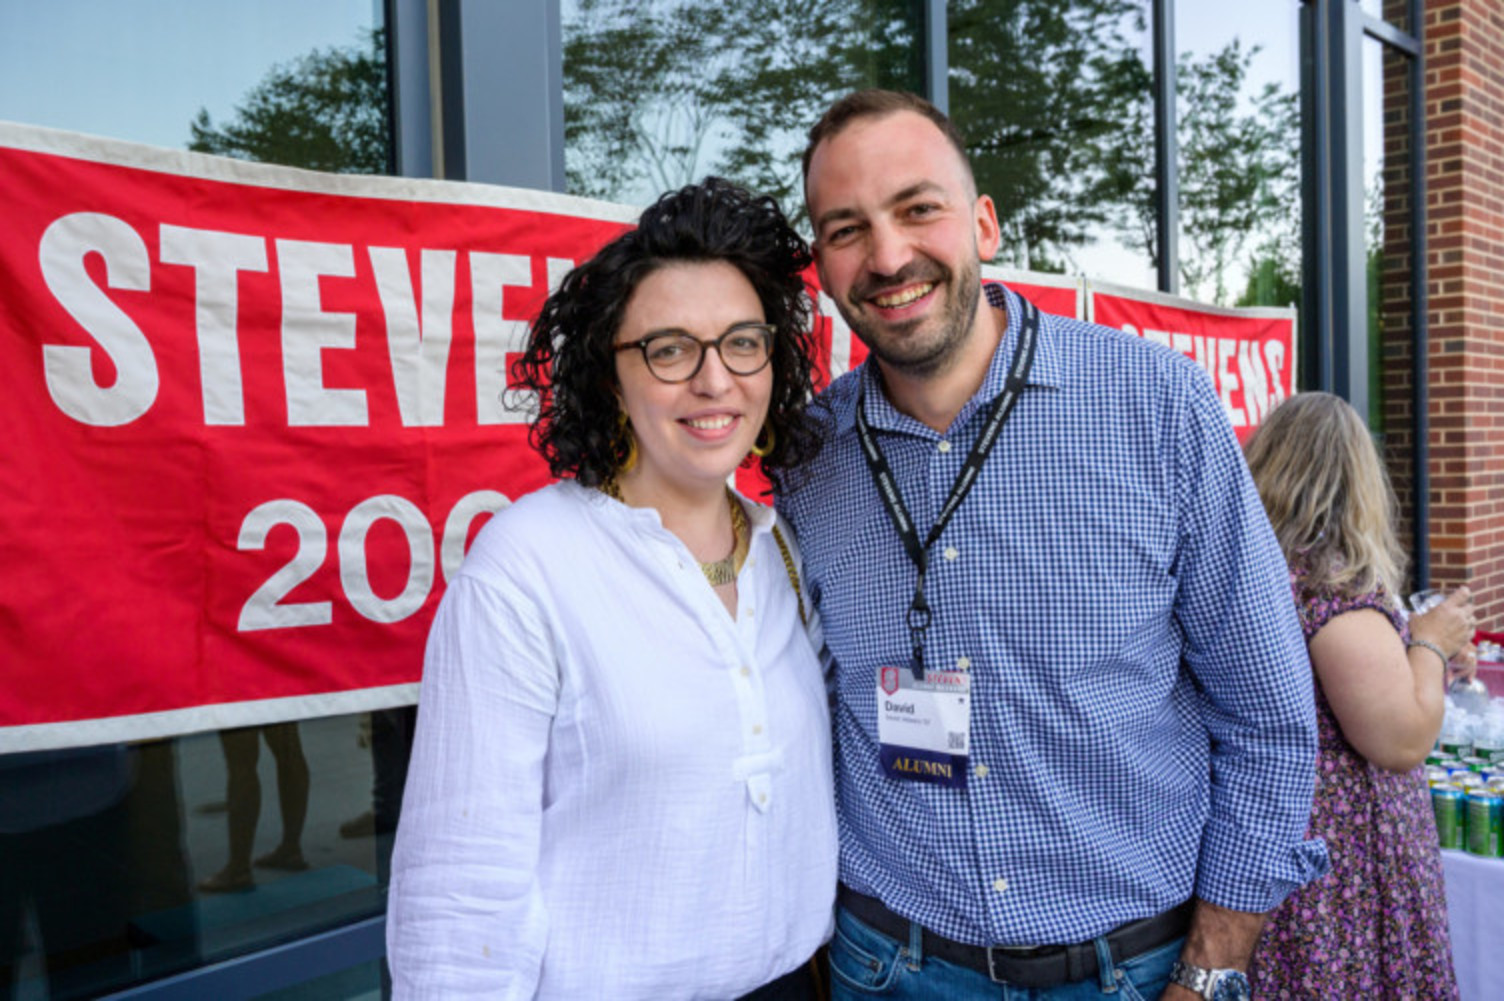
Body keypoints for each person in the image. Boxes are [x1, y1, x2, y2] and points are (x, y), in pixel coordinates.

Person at [776, 88, 1327, 1000]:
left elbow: (1268, 719)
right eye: (847, 229)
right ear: (823, 267)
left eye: (919, 208)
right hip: (888, 967)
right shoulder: (806, 458)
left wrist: (1211, 976)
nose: (888, 255)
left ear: (984, 224)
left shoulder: (1156, 406)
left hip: (1136, 973)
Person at [385, 178, 838, 999]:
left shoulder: (785, 551)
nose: (715, 381)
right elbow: (458, 890)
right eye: (669, 349)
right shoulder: (526, 567)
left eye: (742, 341)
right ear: (609, 378)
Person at [1243, 391, 1473, 999]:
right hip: (1343, 863)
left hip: (1281, 837)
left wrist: (1423, 659)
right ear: (1355, 480)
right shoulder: (1330, 586)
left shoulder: (1264, 574)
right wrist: (1432, 645)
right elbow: (1399, 738)